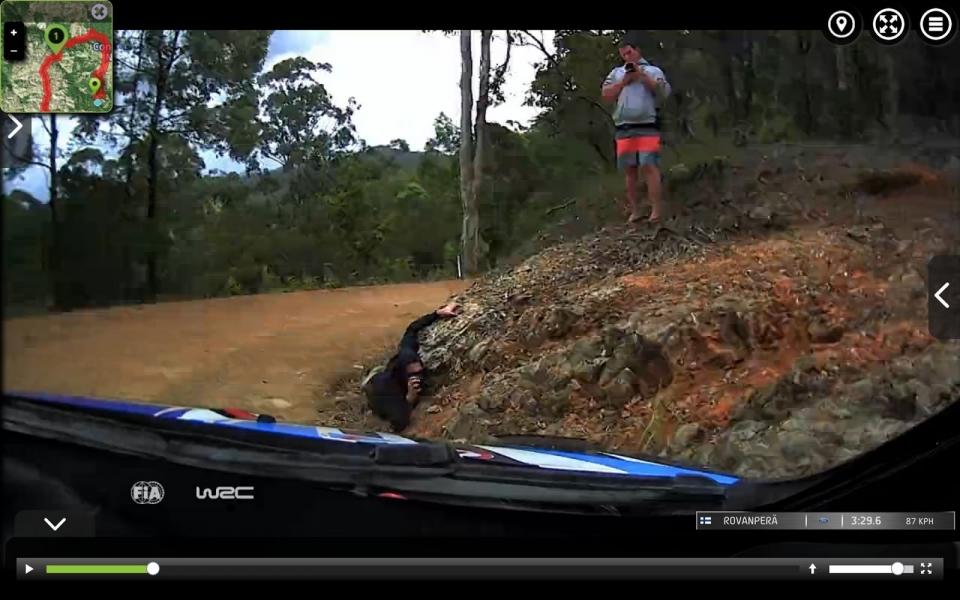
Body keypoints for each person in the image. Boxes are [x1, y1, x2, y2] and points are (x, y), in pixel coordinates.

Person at [601, 36, 672, 224]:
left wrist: (641, 75)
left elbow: (662, 92)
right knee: (629, 170)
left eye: (629, 52)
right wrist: (624, 81)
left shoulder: (653, 70)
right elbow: (606, 95)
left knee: (649, 166)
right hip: (624, 127)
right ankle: (636, 211)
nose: (627, 56)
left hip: (647, 125)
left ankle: (656, 210)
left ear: (638, 50)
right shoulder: (616, 73)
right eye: (623, 54)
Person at [363, 302, 462, 432]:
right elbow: (398, 423)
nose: (417, 377)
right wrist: (409, 399)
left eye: (419, 372)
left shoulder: (408, 353)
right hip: (377, 388)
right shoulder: (386, 389)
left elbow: (412, 329)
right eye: (412, 374)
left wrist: (438, 313)